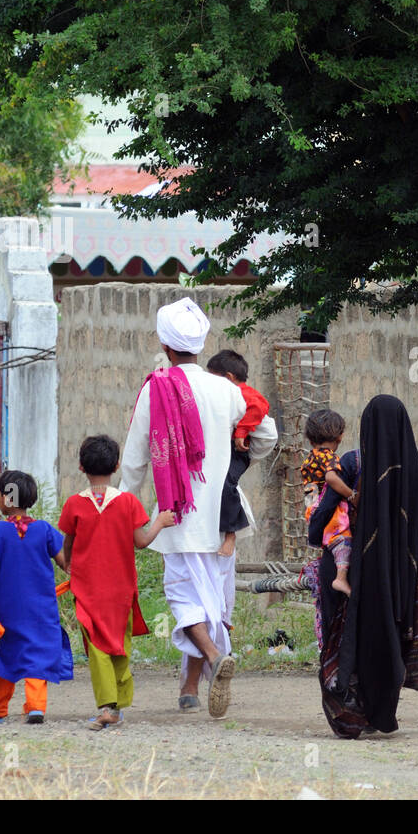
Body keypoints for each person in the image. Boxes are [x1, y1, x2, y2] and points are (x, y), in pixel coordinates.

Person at [119, 297, 277, 719]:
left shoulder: (158, 388)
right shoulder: (228, 390)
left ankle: (211, 658)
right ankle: (191, 687)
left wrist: (121, 506)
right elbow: (267, 434)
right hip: (225, 516)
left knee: (185, 597)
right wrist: (236, 460)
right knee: (215, 602)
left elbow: (135, 459)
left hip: (178, 514)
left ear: (165, 345)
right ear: (200, 342)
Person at [307, 395, 418, 738]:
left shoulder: (352, 462)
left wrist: (315, 535)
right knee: (388, 638)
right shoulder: (411, 470)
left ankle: (350, 712)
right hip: (398, 577)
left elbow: (324, 508)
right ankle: (381, 713)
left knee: (346, 638)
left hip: (352, 569)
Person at [58, 435, 176, 731]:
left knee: (97, 647)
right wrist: (159, 522)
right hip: (121, 589)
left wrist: (68, 566)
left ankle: (109, 707)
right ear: (117, 465)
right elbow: (141, 542)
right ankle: (118, 705)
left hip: (87, 589)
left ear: (81, 466)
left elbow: (67, 545)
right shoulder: (128, 502)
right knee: (118, 645)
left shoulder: (74, 504)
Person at [0, 469, 73, 725]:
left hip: (5, 610)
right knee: (37, 654)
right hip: (40, 610)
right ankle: (36, 707)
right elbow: (66, 563)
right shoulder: (45, 530)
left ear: (7, 499)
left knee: (3, 654)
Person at [205, 349, 271, 558]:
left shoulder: (243, 393)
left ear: (229, 378)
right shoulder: (231, 394)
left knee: (225, 482)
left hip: (238, 452)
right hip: (229, 450)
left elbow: (259, 407)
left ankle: (231, 534)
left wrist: (241, 431)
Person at [300, 409, 357, 595]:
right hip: (329, 508)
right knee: (343, 540)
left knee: (330, 540)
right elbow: (332, 479)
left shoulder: (309, 458)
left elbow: (309, 489)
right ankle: (340, 578)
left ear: (310, 439)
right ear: (340, 437)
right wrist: (351, 494)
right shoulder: (330, 457)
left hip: (312, 506)